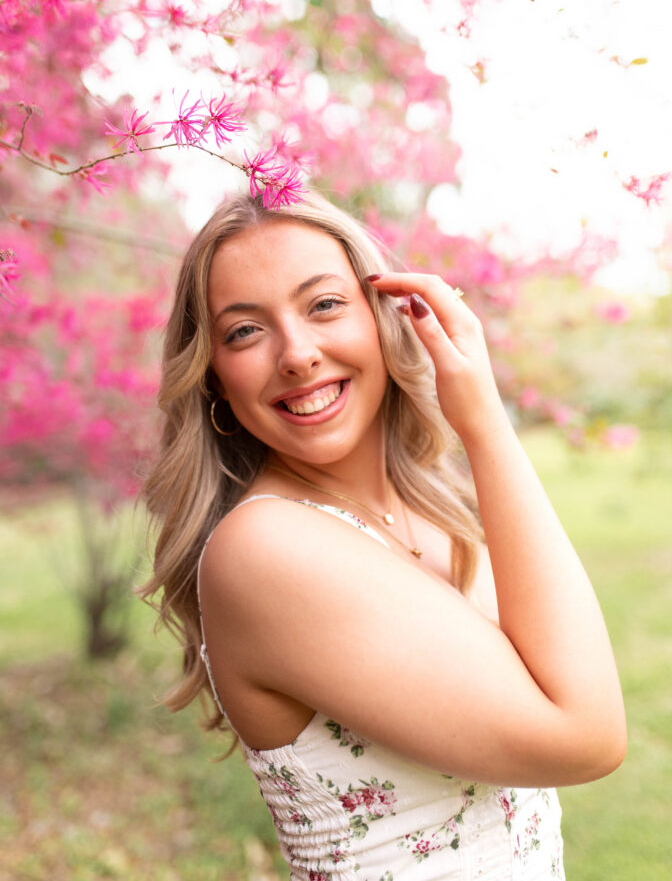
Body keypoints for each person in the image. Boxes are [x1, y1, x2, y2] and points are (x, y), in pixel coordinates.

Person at [141, 189, 626, 880]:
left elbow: (557, 680)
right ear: (214, 376)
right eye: (246, 331)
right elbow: (586, 737)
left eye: (324, 304)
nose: (298, 354)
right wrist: (485, 425)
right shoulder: (267, 548)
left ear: (386, 318)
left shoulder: (434, 513)